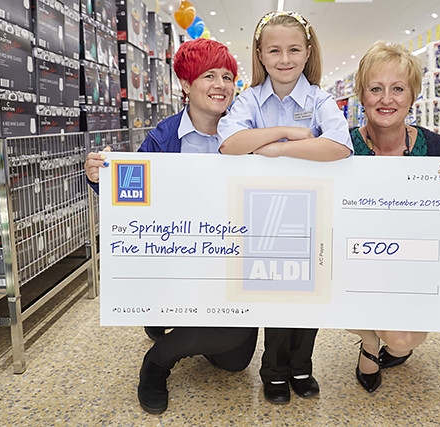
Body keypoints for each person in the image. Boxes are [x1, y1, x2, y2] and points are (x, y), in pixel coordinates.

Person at [84, 38, 259, 415]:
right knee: (223, 333)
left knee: (235, 361)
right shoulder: (163, 138)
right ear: (185, 83)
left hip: (229, 263)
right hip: (176, 262)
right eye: (208, 75)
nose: (221, 85)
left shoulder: (247, 133)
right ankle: (157, 362)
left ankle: (177, 328)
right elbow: (131, 202)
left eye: (227, 76)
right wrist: (101, 179)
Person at [217, 11, 353, 404]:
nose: (284, 59)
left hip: (312, 216)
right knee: (274, 295)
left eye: (294, 49)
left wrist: (275, 150)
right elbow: (230, 144)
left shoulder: (320, 99)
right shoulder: (248, 100)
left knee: (309, 295)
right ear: (259, 54)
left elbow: (338, 146)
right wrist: (287, 131)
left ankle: (302, 365)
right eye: (274, 50)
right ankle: (273, 370)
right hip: (262, 216)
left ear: (308, 52)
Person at [347, 40, 440, 393]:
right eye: (376, 89)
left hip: (409, 268)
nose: (387, 99)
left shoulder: (435, 148)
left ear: (412, 95)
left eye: (398, 89)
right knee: (337, 299)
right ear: (361, 95)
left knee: (403, 340)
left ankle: (385, 340)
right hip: (354, 265)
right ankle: (368, 343)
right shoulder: (343, 147)